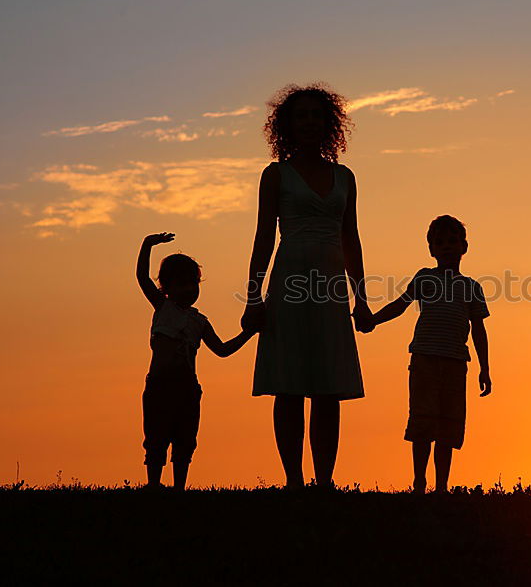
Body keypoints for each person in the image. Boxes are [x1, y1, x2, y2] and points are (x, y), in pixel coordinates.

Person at [242, 84, 371, 490]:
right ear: (287, 125)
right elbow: (264, 235)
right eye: (302, 116)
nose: (310, 122)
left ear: (329, 123)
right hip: (290, 277)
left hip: (332, 282)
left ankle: (325, 479)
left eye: (317, 115)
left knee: (329, 385)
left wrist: (362, 298)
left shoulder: (345, 177)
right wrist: (253, 296)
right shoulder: (275, 174)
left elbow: (351, 237)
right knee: (289, 381)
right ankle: (294, 479)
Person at [362, 215, 491, 493]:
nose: (446, 247)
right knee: (422, 421)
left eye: (452, 241)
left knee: (448, 424)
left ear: (464, 247)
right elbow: (400, 305)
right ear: (431, 249)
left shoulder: (471, 287)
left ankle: (441, 486)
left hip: (456, 363)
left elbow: (478, 330)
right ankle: (419, 482)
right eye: (439, 242)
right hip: (424, 360)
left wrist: (485, 369)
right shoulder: (424, 278)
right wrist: (373, 319)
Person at [137, 232, 254, 490]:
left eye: (193, 284)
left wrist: (249, 333)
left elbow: (222, 350)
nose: (189, 290)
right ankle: (154, 484)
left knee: (185, 439)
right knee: (156, 438)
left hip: (188, 389)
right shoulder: (162, 307)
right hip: (159, 387)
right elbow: (142, 278)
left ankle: (179, 487)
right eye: (181, 284)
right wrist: (148, 244)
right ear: (166, 288)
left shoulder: (199, 322)